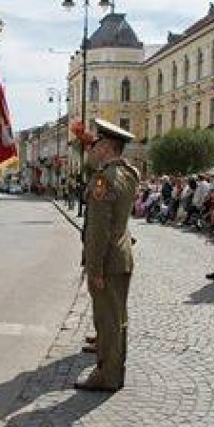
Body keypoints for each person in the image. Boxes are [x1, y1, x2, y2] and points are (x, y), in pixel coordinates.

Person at [74, 118, 138, 393]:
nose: (93, 146)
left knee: (107, 320)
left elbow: (99, 231)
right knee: (118, 318)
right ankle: (114, 371)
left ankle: (107, 376)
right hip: (122, 254)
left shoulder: (103, 179)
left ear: (107, 146)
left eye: (97, 142)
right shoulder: (129, 173)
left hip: (107, 260)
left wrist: (95, 269)